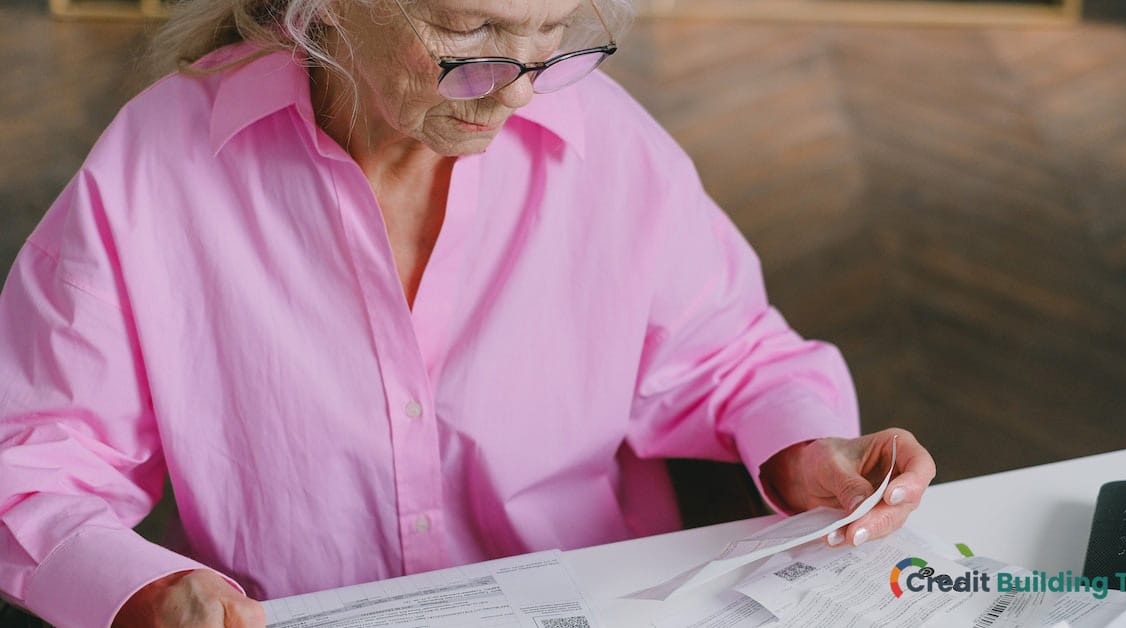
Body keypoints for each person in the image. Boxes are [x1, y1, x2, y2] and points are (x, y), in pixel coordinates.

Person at [0, 0, 936, 624]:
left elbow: (729, 356)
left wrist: (810, 450)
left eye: (553, 33)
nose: (519, 89)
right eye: (470, 38)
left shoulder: (602, 142)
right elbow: (37, 461)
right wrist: (148, 592)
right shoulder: (158, 166)